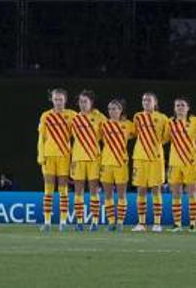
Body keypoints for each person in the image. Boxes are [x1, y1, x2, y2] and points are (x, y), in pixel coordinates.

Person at [35, 88, 75, 232]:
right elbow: (41, 138)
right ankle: (47, 222)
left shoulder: (72, 115)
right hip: (48, 157)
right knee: (48, 190)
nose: (58, 102)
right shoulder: (45, 116)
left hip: (64, 157)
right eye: (55, 99)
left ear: (65, 100)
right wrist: (41, 155)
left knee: (63, 190)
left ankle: (63, 222)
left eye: (60, 99)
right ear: (51, 100)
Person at [167, 96, 196, 232]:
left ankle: (192, 224)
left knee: (192, 193)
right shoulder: (170, 122)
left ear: (188, 108)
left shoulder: (194, 121)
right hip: (174, 163)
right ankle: (177, 224)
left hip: (190, 162)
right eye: (177, 105)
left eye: (182, 105)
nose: (180, 108)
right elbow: (163, 139)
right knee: (176, 194)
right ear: (174, 108)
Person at [131, 92, 170, 232]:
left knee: (156, 189)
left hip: (156, 158)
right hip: (140, 158)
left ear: (155, 102)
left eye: (149, 100)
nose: (146, 102)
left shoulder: (162, 118)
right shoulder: (137, 117)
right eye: (144, 100)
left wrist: (155, 145)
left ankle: (157, 223)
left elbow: (166, 137)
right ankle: (141, 223)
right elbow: (135, 133)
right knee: (140, 190)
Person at [69, 90, 104, 231]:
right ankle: (79, 221)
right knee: (78, 192)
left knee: (94, 191)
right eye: (81, 102)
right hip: (78, 159)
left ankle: (94, 221)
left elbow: (106, 135)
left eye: (85, 102)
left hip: (94, 159)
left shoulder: (99, 117)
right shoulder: (74, 118)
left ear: (91, 103)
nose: (82, 105)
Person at [97, 99, 134, 232]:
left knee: (121, 195)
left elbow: (137, 134)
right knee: (108, 195)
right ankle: (111, 221)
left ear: (121, 110)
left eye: (115, 109)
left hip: (121, 163)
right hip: (106, 163)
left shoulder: (128, 125)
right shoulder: (103, 124)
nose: (112, 111)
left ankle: (120, 222)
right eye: (110, 109)